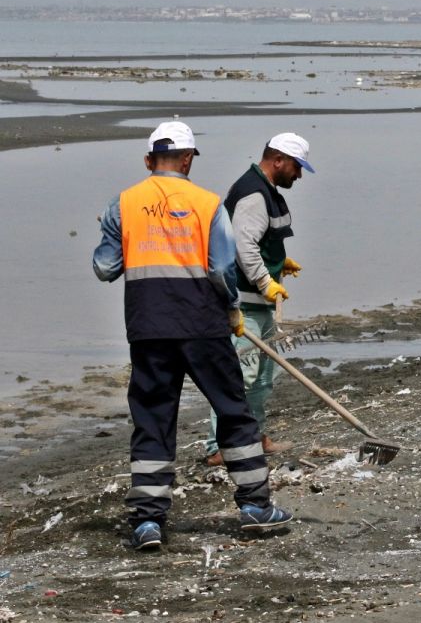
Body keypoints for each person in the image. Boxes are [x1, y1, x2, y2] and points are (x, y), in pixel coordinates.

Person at [93, 120, 293, 550]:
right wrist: (235, 311)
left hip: (148, 328)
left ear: (149, 160)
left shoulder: (122, 204)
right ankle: (255, 507)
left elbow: (104, 268)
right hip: (202, 325)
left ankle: (147, 521)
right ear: (187, 160)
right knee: (233, 410)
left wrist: (112, 235)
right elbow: (222, 268)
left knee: (153, 418)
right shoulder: (207, 203)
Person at [204, 133, 314, 466]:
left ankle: (256, 436)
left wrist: (280, 264)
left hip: (260, 301)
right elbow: (242, 246)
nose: (298, 174)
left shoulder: (267, 192)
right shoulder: (253, 194)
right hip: (244, 302)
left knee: (265, 376)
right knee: (240, 374)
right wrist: (267, 282)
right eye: (296, 167)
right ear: (278, 160)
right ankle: (217, 447)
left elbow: (263, 241)